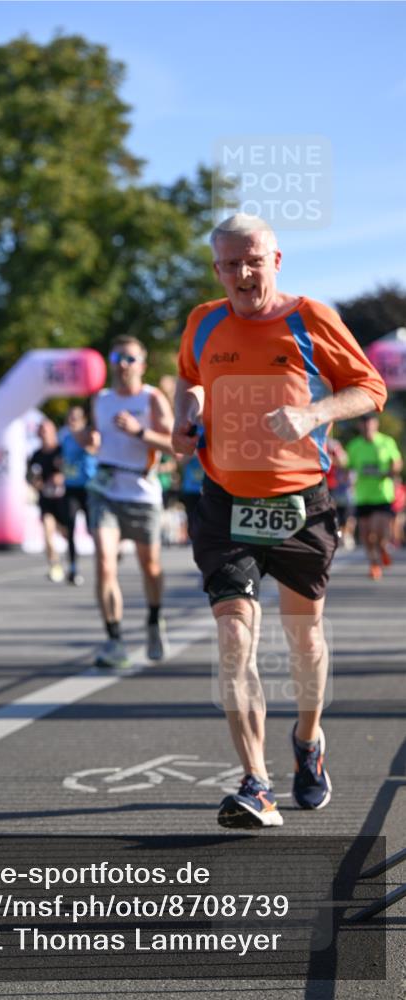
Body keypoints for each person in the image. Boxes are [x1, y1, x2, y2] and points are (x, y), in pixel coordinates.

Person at [173, 213, 387, 829]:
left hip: (300, 505)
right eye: (230, 264)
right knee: (235, 638)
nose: (242, 274)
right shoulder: (204, 320)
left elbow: (369, 388)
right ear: (217, 269)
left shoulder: (311, 319)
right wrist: (185, 420)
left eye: (253, 261)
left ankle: (309, 739)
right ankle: (256, 782)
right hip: (224, 503)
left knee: (304, 642)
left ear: (276, 260)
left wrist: (315, 412)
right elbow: (192, 380)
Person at [84, 336, 174, 669]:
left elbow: (175, 445)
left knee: (150, 567)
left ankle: (154, 619)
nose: (123, 364)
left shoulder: (152, 399)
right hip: (106, 489)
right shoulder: (101, 400)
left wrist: (140, 432)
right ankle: (114, 639)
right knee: (105, 563)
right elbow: (95, 440)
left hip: (143, 492)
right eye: (117, 357)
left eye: (130, 358)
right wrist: (87, 438)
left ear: (142, 365)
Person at [346, 414, 403, 578]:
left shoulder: (386, 442)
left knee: (379, 531)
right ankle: (374, 564)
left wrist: (392, 469)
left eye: (370, 425)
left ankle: (384, 549)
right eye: (364, 426)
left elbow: (397, 463)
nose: (367, 429)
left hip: (382, 495)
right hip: (362, 496)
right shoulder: (354, 445)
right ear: (359, 427)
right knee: (366, 534)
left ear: (375, 425)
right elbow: (347, 465)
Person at [27, 418, 69, 583]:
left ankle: (72, 562)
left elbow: (72, 470)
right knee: (47, 531)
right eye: (41, 430)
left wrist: (62, 476)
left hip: (63, 499)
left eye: (47, 430)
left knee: (66, 533)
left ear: (53, 432)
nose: (44, 433)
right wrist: (36, 483)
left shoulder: (62, 451)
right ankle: (55, 565)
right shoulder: (36, 455)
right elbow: (31, 476)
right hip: (46, 500)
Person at [59, 405, 98, 585]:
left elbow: (92, 448)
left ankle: (105, 559)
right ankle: (73, 567)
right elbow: (60, 457)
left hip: (88, 487)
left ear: (83, 420)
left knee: (93, 529)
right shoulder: (64, 436)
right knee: (70, 526)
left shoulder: (89, 434)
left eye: (76, 417)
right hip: (71, 487)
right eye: (70, 417)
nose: (72, 421)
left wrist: (78, 433)